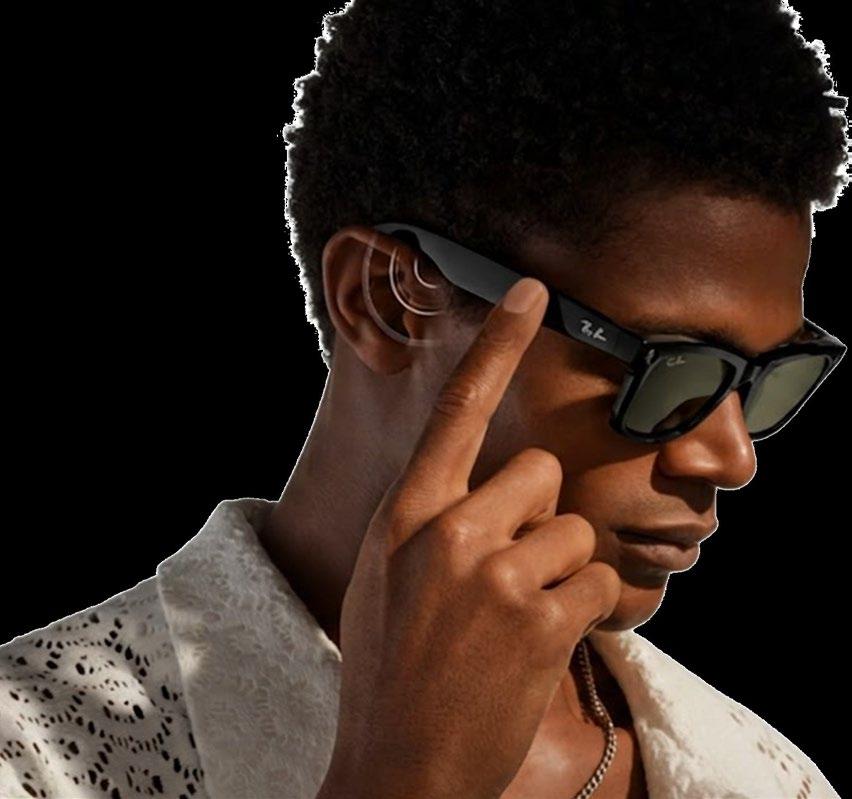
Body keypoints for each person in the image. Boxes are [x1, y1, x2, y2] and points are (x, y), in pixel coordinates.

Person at [1, 1, 847, 797]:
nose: (731, 455)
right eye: (673, 368)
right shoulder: (31, 751)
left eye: (768, 376)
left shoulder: (769, 777)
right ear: (386, 299)